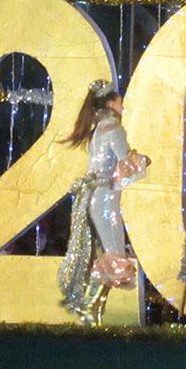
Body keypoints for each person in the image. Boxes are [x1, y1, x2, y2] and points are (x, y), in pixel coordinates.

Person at [57, 80, 149, 326]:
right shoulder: (114, 129)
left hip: (98, 197)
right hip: (106, 199)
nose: (122, 106)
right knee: (114, 254)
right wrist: (144, 161)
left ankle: (95, 310)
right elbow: (126, 162)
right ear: (110, 104)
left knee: (110, 253)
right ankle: (88, 305)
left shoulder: (98, 129)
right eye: (119, 102)